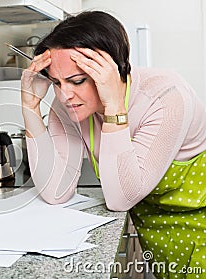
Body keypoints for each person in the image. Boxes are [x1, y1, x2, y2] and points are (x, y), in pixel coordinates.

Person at [21, 10, 206, 279]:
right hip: (153, 227)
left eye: (77, 81)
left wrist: (114, 106)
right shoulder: (70, 106)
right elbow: (56, 191)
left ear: (110, 71)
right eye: (56, 82)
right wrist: (30, 107)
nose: (63, 95)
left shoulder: (167, 98)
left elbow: (120, 199)